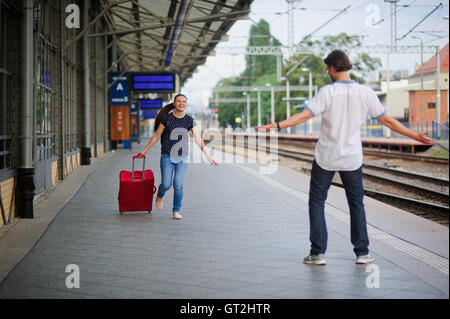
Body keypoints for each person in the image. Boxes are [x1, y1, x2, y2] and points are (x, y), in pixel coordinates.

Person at [256, 50, 434, 265]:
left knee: (317, 202)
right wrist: (415, 136)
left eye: (327, 68)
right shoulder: (365, 92)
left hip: (326, 157)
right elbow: (388, 121)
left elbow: (304, 115)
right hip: (352, 157)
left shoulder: (327, 93)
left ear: (331, 68)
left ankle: (317, 253)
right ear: (347, 66)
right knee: (356, 204)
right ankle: (362, 253)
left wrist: (276, 126)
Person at [137, 94, 218, 220]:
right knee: (166, 184)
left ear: (186, 104)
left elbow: (197, 138)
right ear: (174, 104)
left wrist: (208, 156)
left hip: (182, 158)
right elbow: (156, 135)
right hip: (167, 156)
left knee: (178, 185)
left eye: (184, 101)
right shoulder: (166, 118)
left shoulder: (189, 120)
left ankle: (176, 210)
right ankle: (160, 195)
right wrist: (144, 150)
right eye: (179, 101)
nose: (181, 103)